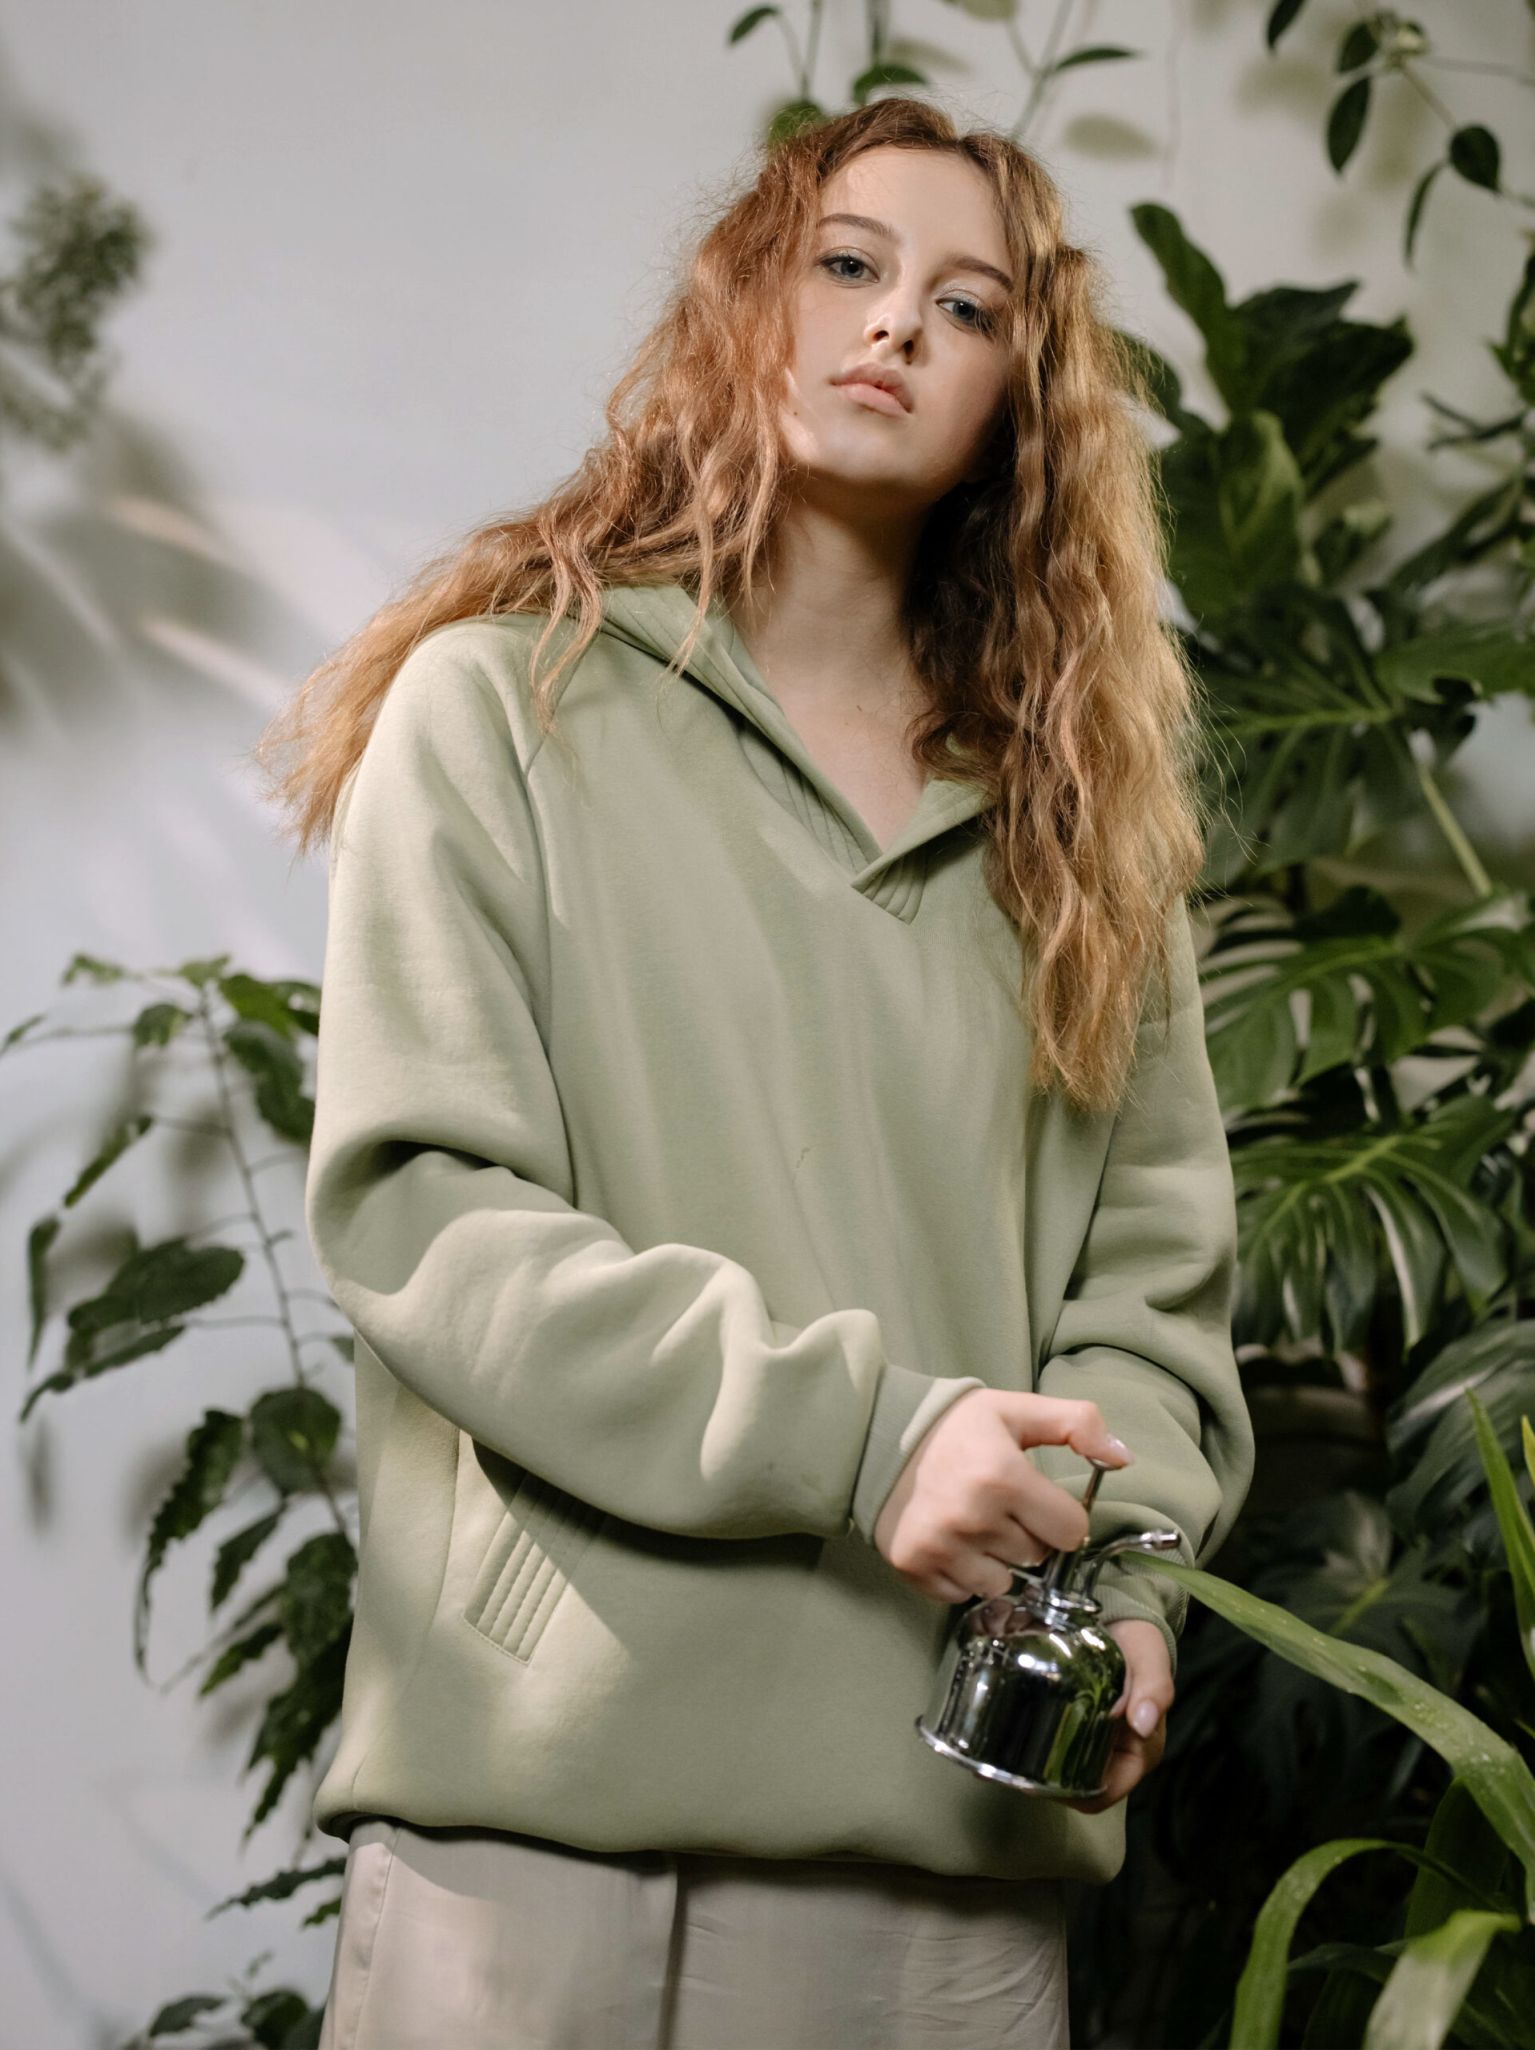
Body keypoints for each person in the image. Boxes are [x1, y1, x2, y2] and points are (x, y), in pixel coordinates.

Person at [255, 93, 1255, 2050]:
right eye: (848, 264)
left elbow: (1149, 1298)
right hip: (548, 1834)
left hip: (944, 1854)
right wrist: (870, 1435)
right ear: (746, 302)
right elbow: (427, 1217)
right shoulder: (502, 708)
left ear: (1018, 402)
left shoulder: (1081, 836)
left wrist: (1123, 1579)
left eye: (968, 307)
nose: (894, 324)